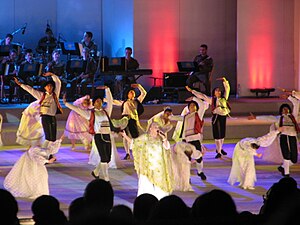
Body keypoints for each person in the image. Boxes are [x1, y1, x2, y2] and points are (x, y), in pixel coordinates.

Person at [63, 86, 117, 181]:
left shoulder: (106, 111)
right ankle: (106, 179)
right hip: (98, 136)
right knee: (104, 158)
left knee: (107, 159)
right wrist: (66, 103)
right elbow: (77, 110)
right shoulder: (90, 114)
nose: (99, 103)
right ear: (94, 103)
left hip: (107, 136)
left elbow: (110, 101)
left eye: (100, 101)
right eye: (97, 101)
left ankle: (96, 172)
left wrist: (107, 90)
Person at [248, 91, 300, 177]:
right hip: (283, 136)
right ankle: (286, 174)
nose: (285, 110)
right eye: (283, 109)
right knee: (286, 155)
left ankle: (283, 167)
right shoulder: (278, 118)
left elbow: (297, 102)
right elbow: (267, 118)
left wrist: (288, 97)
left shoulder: (293, 116)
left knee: (294, 159)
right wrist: (255, 117)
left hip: (293, 136)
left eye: (286, 108)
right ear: (281, 111)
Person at [121, 122, 174, 200]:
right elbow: (134, 143)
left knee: (160, 187)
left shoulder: (161, 139)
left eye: (158, 127)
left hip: (159, 168)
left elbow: (167, 148)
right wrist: (125, 136)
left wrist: (164, 139)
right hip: (146, 167)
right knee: (146, 185)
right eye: (155, 127)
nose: (157, 129)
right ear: (150, 129)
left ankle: (161, 201)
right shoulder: (144, 138)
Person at [14, 71, 62, 148]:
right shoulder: (41, 95)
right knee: (48, 137)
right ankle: (46, 153)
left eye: (51, 86)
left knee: (53, 138)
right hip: (45, 117)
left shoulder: (55, 95)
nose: (49, 87)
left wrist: (52, 75)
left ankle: (50, 152)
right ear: (45, 88)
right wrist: (20, 84)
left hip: (52, 117)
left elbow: (58, 83)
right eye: (47, 86)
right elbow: (30, 90)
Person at [187, 77, 230, 159]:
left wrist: (225, 82)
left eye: (219, 90)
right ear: (214, 92)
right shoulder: (212, 100)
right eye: (216, 90)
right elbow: (202, 96)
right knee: (217, 134)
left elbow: (227, 89)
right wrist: (192, 91)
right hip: (216, 118)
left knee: (222, 134)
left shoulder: (224, 98)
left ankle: (219, 149)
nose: (218, 91)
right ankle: (219, 151)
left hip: (223, 117)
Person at [170, 93, 209, 180]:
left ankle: (200, 172)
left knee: (198, 156)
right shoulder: (185, 117)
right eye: (190, 105)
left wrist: (194, 98)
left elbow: (202, 105)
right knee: (187, 159)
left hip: (195, 139)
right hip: (186, 140)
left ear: (196, 107)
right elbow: (177, 118)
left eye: (193, 105)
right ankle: (188, 176)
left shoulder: (198, 114)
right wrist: (169, 116)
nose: (192, 106)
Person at [115, 83, 147, 160]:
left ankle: (137, 151)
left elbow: (144, 93)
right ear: (127, 94)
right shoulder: (124, 102)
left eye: (133, 92)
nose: (132, 93)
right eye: (130, 92)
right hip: (125, 119)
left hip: (133, 120)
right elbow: (114, 101)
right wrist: (104, 99)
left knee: (135, 136)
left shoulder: (137, 101)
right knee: (125, 136)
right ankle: (127, 153)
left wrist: (139, 86)